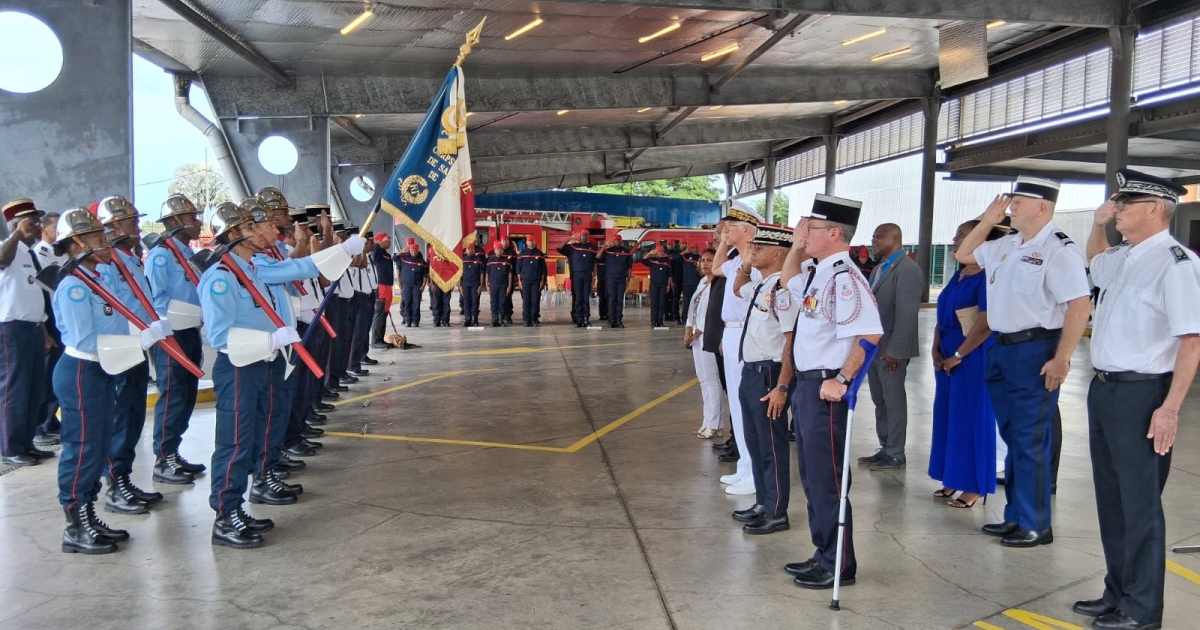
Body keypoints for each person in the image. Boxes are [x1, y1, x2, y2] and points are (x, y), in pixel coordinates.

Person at [1071, 169, 1200, 630]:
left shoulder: (1176, 262)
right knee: (1112, 499)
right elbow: (1094, 259)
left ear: (1155, 209)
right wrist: (1096, 223)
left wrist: (1170, 409)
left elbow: (1191, 342)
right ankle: (1117, 593)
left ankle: (1143, 610)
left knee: (1140, 503)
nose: (1117, 207)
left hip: (1143, 394)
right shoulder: (1125, 257)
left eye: (1126, 203)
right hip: (1104, 388)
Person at [954, 176, 1091, 548]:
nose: (1011, 207)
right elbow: (963, 255)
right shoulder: (1006, 245)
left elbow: (1079, 305)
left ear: (1042, 207)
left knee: (1030, 440)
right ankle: (1016, 516)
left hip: (1035, 350)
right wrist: (986, 220)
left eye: (1018, 202)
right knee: (1015, 437)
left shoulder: (1059, 249)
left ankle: (1036, 524)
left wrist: (1062, 358)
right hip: (1002, 350)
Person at [780, 194, 883, 590]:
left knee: (829, 479)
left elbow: (871, 332)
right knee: (812, 476)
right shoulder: (818, 271)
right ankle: (824, 552)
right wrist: (796, 243)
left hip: (826, 389)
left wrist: (841, 379)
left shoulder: (845, 277)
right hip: (807, 387)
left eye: (813, 228)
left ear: (835, 233)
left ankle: (838, 563)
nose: (805, 233)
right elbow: (788, 281)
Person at [52, 207, 164, 553]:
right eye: (97, 237)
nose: (106, 241)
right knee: (82, 448)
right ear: (75, 244)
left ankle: (89, 514)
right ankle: (76, 523)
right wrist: (139, 340)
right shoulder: (73, 287)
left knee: (98, 445)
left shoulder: (97, 279)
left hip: (102, 370)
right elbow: (84, 339)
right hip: (83, 372)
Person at [95, 196, 166, 514]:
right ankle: (115, 484)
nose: (137, 228)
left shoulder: (130, 258)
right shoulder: (108, 263)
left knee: (135, 414)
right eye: (131, 222)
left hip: (140, 345)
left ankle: (123, 477)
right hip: (122, 348)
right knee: (121, 415)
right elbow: (109, 307)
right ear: (112, 227)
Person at [928, 220, 1002, 509]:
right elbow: (943, 316)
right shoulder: (959, 274)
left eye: (962, 235)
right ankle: (952, 476)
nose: (956, 239)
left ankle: (974, 486)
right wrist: (936, 347)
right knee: (949, 415)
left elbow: (984, 323)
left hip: (972, 355)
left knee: (973, 416)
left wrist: (958, 355)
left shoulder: (986, 276)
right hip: (947, 349)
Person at [730, 225, 798, 535]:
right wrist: (745, 263)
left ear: (777, 253)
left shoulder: (783, 289)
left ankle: (776, 511)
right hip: (751, 372)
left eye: (759, 246)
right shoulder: (763, 284)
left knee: (772, 445)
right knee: (756, 443)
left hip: (770, 374)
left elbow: (790, 341)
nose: (753, 250)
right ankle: (763, 502)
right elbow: (737, 287)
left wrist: (782, 386)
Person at [144, 194, 206, 484]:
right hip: (172, 333)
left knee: (187, 394)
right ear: (175, 222)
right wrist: (164, 330)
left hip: (190, 328)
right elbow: (155, 298)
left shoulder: (188, 254)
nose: (197, 222)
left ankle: (173, 451)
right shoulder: (161, 255)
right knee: (174, 395)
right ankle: (163, 458)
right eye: (192, 218)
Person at [860, 223, 923, 470]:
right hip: (876, 348)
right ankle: (885, 446)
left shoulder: (907, 269)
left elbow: (907, 313)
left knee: (894, 401)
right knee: (880, 400)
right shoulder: (878, 269)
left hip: (892, 351)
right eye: (874, 236)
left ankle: (896, 452)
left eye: (879, 237)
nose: (874, 241)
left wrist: (896, 350)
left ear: (895, 238)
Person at [711, 209, 761, 496]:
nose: (725, 230)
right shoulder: (734, 260)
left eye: (731, 226)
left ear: (747, 230)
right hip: (732, 331)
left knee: (747, 406)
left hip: (747, 331)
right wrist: (724, 244)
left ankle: (754, 473)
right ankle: (744, 467)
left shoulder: (754, 261)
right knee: (738, 407)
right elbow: (717, 268)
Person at [1, 198, 52, 468]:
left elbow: (35, 295)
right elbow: (0, 261)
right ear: (15, 224)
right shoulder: (6, 249)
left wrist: (43, 330)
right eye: (30, 221)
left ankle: (27, 443)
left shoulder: (30, 256)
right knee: (14, 390)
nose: (36, 226)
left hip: (32, 329)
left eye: (36, 221)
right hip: (12, 331)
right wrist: (17, 235)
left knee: (34, 389)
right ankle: (10, 447)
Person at [32, 211, 65, 449]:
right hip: (50, 315)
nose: (59, 232)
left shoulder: (59, 252)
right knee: (47, 374)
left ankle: (51, 420)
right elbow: (45, 289)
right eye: (56, 227)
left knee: (55, 372)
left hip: (62, 313)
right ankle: (41, 425)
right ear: (44, 230)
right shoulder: (40, 253)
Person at [684, 248, 722, 439]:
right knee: (703, 380)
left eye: (710, 260)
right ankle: (707, 421)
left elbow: (715, 313)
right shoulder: (701, 283)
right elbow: (694, 308)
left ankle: (714, 424)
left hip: (708, 336)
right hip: (696, 338)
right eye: (703, 260)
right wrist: (688, 328)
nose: (705, 263)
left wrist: (700, 330)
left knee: (711, 380)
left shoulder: (719, 283)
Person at [558, 232, 596, 327]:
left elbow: (595, 263)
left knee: (586, 298)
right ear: (580, 236)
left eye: (586, 235)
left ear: (588, 236)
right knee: (578, 298)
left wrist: (594, 276)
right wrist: (569, 238)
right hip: (576, 275)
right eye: (583, 235)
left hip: (587, 275)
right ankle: (578, 319)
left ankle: (586, 318)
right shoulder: (573, 247)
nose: (584, 237)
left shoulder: (592, 248)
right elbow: (560, 248)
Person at [599, 235, 632, 328]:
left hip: (621, 278)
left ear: (621, 241)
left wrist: (628, 279)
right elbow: (598, 256)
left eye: (619, 241)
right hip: (611, 278)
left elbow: (629, 267)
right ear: (614, 241)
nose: (617, 242)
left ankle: (618, 320)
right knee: (612, 299)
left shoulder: (626, 252)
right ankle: (611, 320)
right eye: (616, 241)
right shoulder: (608, 251)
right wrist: (605, 246)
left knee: (619, 300)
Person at [369, 232, 395, 347]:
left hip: (388, 286)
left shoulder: (386, 254)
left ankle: (380, 338)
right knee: (379, 313)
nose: (390, 242)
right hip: (381, 286)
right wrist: (376, 242)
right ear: (380, 241)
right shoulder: (377, 251)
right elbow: (374, 247)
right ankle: (375, 340)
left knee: (384, 312)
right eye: (387, 239)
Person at [396, 237, 428, 326]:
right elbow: (395, 260)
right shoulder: (404, 257)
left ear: (417, 250)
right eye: (412, 250)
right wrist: (399, 280)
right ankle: (407, 320)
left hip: (417, 285)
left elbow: (425, 273)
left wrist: (424, 284)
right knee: (406, 302)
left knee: (416, 303)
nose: (413, 252)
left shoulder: (420, 259)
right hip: (406, 284)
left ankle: (415, 321)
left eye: (415, 250)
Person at [639, 245, 673, 328]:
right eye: (659, 251)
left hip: (663, 285)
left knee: (661, 304)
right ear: (656, 251)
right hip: (654, 284)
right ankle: (653, 322)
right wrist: (650, 253)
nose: (661, 253)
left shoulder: (666, 261)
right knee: (654, 304)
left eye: (662, 251)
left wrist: (668, 285)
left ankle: (660, 322)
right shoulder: (652, 260)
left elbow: (669, 275)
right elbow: (642, 259)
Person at [516, 239, 548, 326]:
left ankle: (534, 319)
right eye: (529, 241)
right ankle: (527, 319)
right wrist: (519, 281)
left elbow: (543, 270)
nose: (531, 242)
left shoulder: (539, 254)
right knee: (526, 300)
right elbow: (518, 269)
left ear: (535, 242)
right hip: (525, 281)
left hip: (536, 281)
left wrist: (542, 281)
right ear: (526, 242)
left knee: (535, 300)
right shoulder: (522, 254)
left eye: (532, 241)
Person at [485, 241, 512, 327]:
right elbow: (487, 274)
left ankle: (501, 320)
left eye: (500, 249)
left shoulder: (506, 260)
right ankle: (494, 320)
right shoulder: (490, 260)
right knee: (493, 302)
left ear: (502, 250)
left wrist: (509, 286)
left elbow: (510, 275)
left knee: (502, 302)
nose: (499, 251)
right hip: (493, 285)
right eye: (497, 249)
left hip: (503, 285)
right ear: (495, 250)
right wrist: (487, 285)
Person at [459, 240, 485, 327]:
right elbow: (459, 274)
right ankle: (467, 319)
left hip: (475, 284)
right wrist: (459, 285)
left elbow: (481, 273)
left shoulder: (478, 260)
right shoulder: (462, 260)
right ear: (465, 250)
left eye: (471, 249)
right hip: (465, 283)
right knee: (466, 302)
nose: (470, 250)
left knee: (475, 302)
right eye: (468, 249)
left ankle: (474, 319)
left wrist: (481, 285)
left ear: (474, 250)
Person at [680, 245, 702, 327]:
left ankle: (695, 319)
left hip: (697, 284)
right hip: (687, 284)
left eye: (696, 248)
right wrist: (685, 252)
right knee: (687, 302)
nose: (695, 249)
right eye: (693, 248)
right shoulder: (685, 257)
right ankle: (685, 319)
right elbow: (674, 258)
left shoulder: (700, 258)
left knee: (696, 303)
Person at [501, 237, 518, 325]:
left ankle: (508, 316)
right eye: (503, 241)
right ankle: (500, 316)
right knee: (499, 299)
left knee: (508, 298)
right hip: (499, 280)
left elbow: (516, 266)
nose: (505, 243)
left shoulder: (513, 253)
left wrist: (515, 279)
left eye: (507, 241)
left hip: (509, 280)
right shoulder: (497, 253)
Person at [667, 242, 685, 322]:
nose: (684, 245)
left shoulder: (688, 255)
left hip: (686, 280)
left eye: (685, 243)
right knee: (675, 299)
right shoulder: (675, 254)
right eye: (682, 243)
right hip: (676, 280)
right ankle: (676, 316)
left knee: (686, 300)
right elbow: (671, 267)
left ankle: (685, 317)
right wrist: (672, 280)